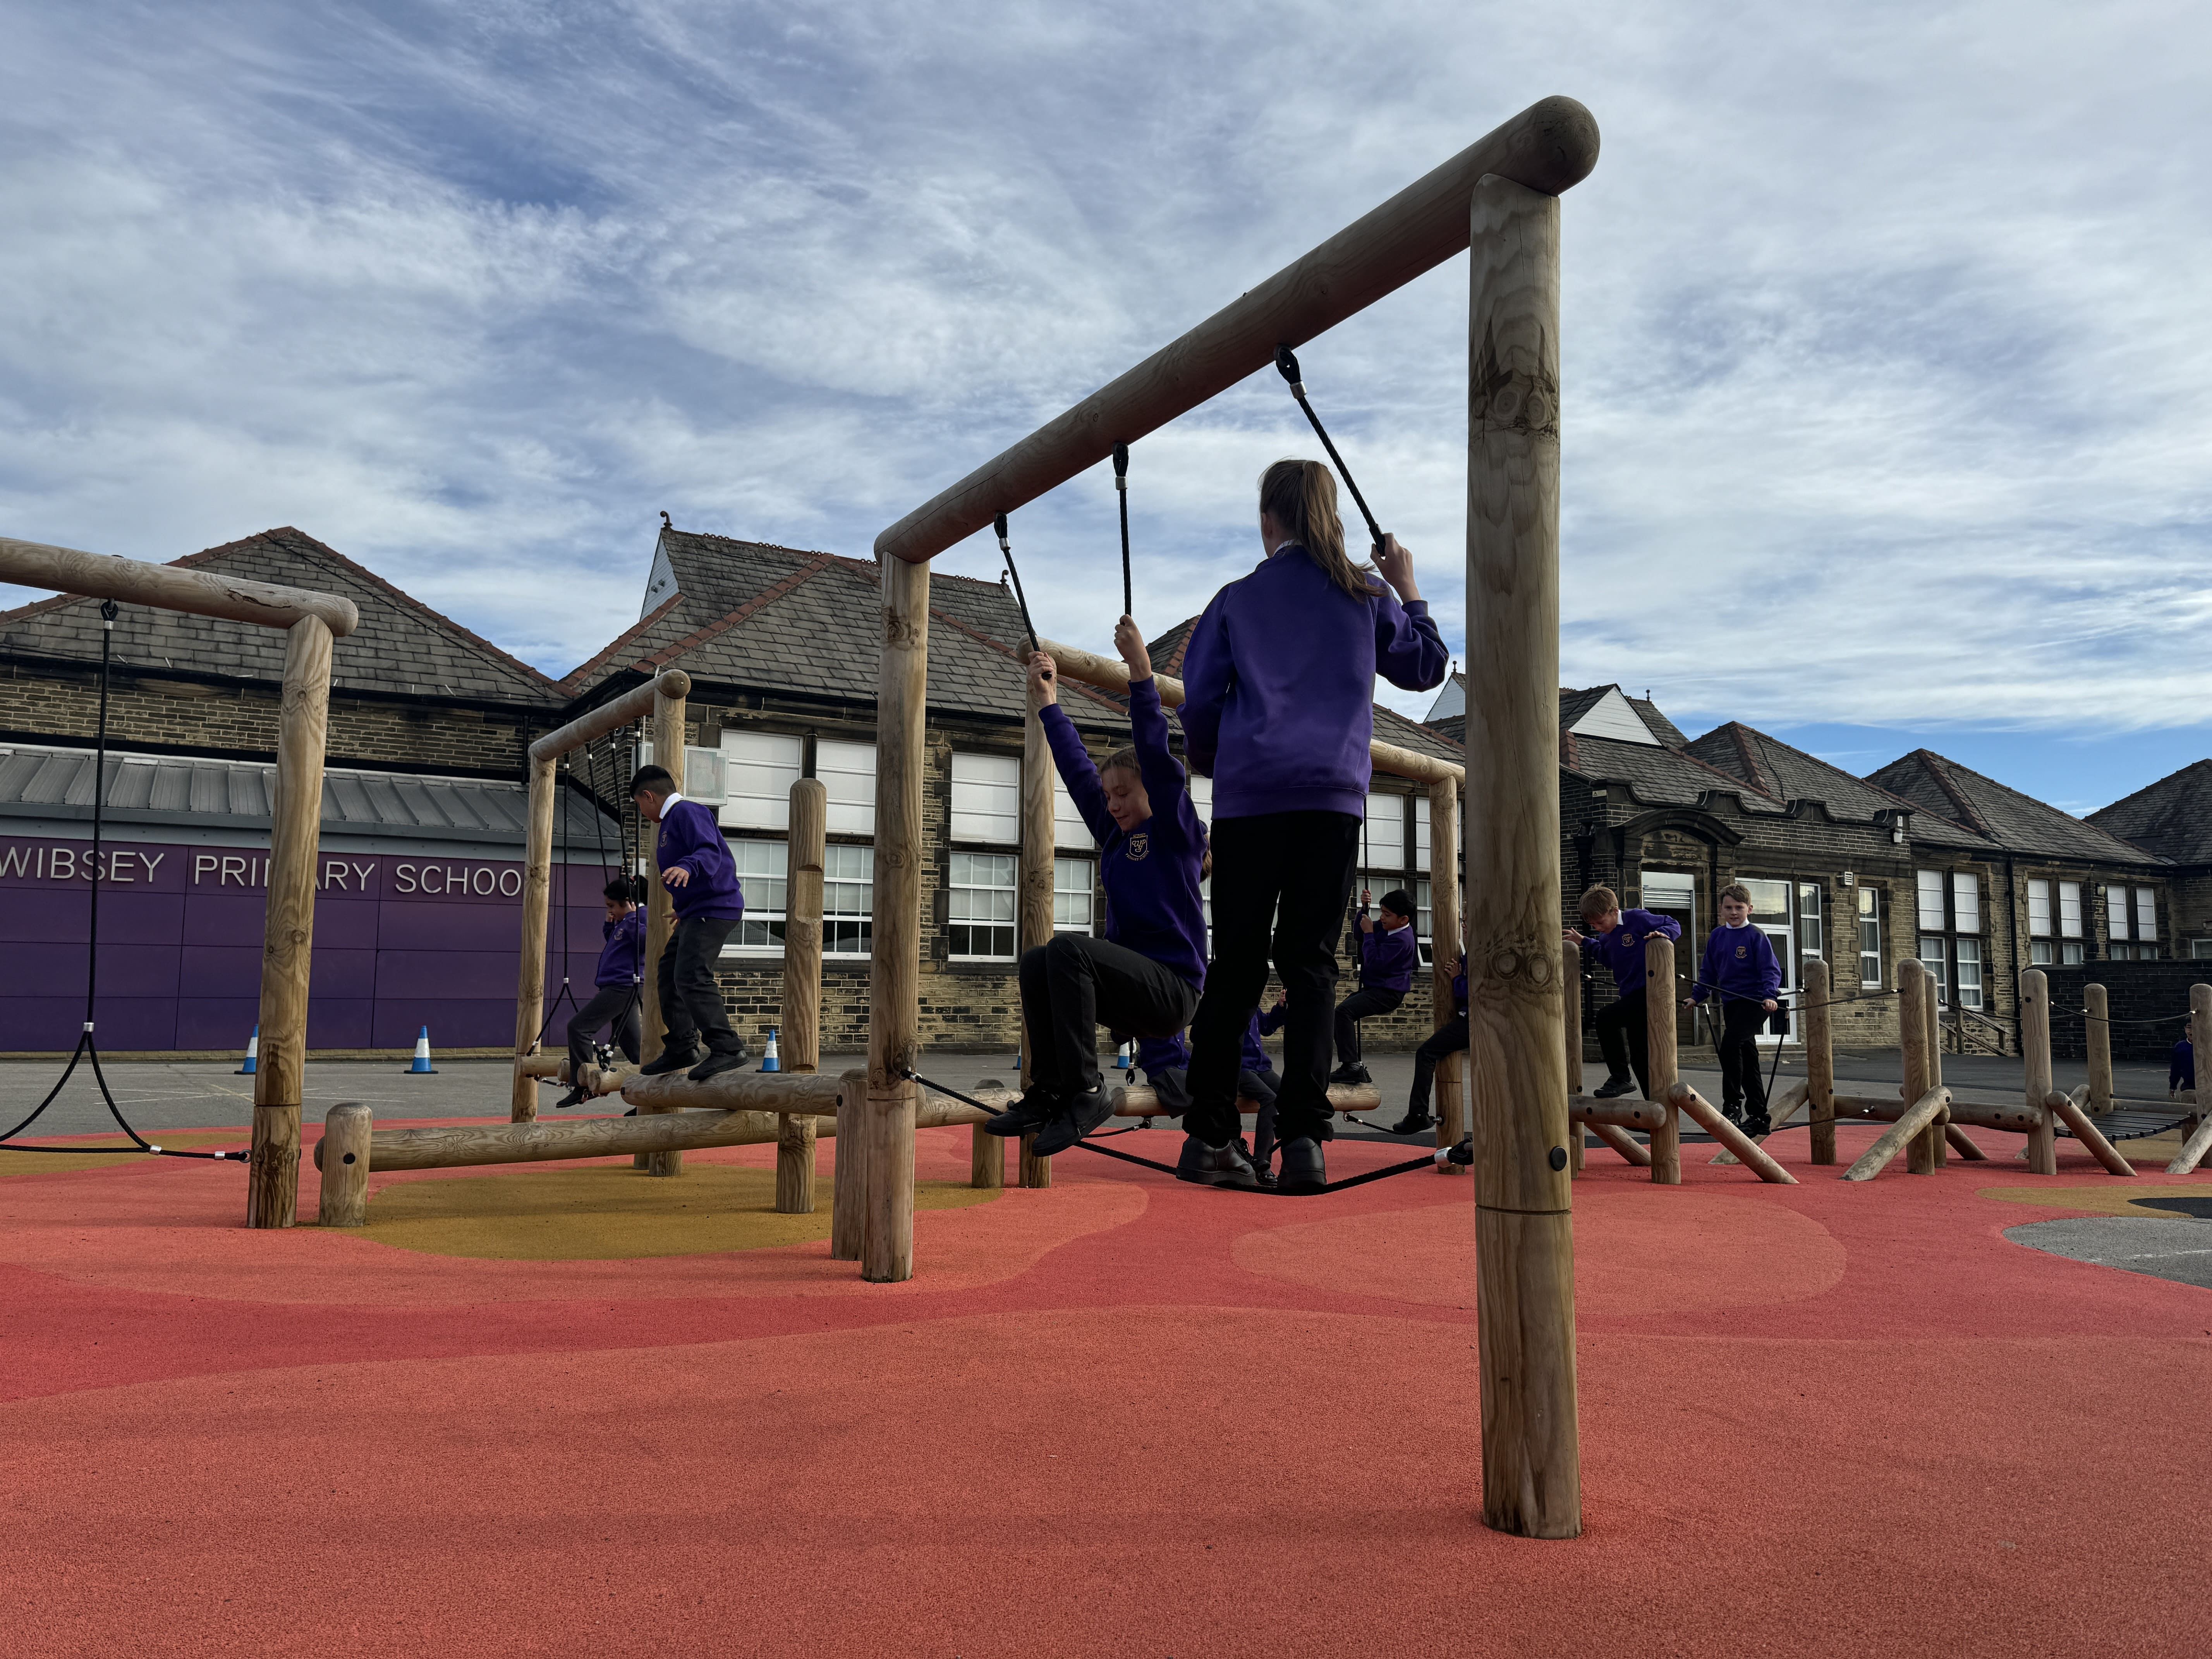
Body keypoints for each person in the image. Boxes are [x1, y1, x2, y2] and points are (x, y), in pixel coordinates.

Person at [1175, 457, 1448, 1192]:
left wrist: (1213, 758)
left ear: (1270, 519)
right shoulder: (1364, 594)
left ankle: (1206, 1135)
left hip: (1249, 797)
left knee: (1233, 963)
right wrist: (1406, 584)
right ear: (1329, 515)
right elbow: (1426, 668)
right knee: (1312, 965)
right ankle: (1303, 1141)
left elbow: (1197, 703)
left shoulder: (1236, 599)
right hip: (1329, 797)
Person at [985, 615, 1207, 1156]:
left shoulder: (1174, 830)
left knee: (1069, 951)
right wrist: (1048, 703)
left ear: (1152, 794)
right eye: (1109, 797)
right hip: (1129, 994)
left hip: (1173, 992)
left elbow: (1155, 753)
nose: (1113, 804)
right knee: (1038, 960)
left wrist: (1139, 670)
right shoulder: (1113, 833)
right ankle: (1049, 1090)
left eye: (1124, 794)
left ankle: (1087, 1091)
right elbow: (1077, 766)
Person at [630, 763, 749, 1081]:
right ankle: (682, 1046)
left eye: (639, 805)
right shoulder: (671, 821)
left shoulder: (686, 812)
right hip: (698, 910)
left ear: (649, 796)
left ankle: (727, 1047)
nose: (641, 812)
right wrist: (685, 906)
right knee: (668, 973)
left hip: (716, 908)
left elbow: (709, 851)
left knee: (692, 975)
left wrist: (689, 867)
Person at [1562, 886, 1681, 1103]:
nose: (1598, 928)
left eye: (1600, 922)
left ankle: (1619, 1077)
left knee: (1606, 1018)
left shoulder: (1636, 918)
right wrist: (1585, 942)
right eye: (1592, 925)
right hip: (1630, 995)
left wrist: (1663, 935)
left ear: (1614, 911)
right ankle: (1653, 1104)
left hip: (1650, 991)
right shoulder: (1606, 937)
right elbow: (1608, 958)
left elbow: (1673, 923)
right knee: (1639, 1057)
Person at [1685, 882, 1782, 1134]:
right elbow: (1708, 972)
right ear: (1721, 910)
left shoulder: (1756, 936)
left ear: (1750, 909)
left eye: (1739, 908)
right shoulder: (1718, 936)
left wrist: (1770, 996)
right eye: (1729, 908)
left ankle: (1733, 1104)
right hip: (1732, 1003)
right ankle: (1760, 1116)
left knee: (1730, 1045)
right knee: (1748, 1059)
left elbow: (1770, 970)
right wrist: (1697, 997)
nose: (1734, 912)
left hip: (1756, 1002)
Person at [553, 876, 646, 1108]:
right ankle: (649, 1096)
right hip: (618, 986)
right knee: (633, 1045)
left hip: (624, 986)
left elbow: (645, 942)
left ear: (627, 902)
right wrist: (610, 925)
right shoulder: (626, 922)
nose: (610, 911)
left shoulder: (640, 918)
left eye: (612, 906)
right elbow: (618, 943)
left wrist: (632, 917)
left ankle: (582, 1085)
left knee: (579, 1027)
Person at [1329, 886, 1420, 1085]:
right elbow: (1360, 934)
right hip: (1375, 988)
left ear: (1403, 920)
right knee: (1341, 1013)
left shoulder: (1403, 940)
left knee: (1343, 1013)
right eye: (1381, 913)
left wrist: (1370, 934)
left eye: (1387, 915)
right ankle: (1352, 1064)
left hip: (1388, 993)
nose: (1383, 918)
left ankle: (1351, 1066)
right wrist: (1364, 909)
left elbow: (1374, 961)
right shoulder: (1389, 926)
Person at [1389, 953, 1467, 1137]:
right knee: (1427, 1052)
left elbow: (1474, 990)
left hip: (1473, 1020)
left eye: (1467, 923)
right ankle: (1418, 1114)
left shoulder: (1480, 954)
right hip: (1467, 1017)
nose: (1465, 927)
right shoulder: (1466, 954)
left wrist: (1457, 979)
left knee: (1426, 1054)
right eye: (1463, 922)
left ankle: (1418, 1114)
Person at [2171, 1034, 2195, 1101]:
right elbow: (2176, 1069)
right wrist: (2173, 1086)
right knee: (2189, 1109)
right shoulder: (2180, 1047)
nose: (2193, 1031)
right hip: (2189, 1086)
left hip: (2208, 1086)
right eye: (2189, 1027)